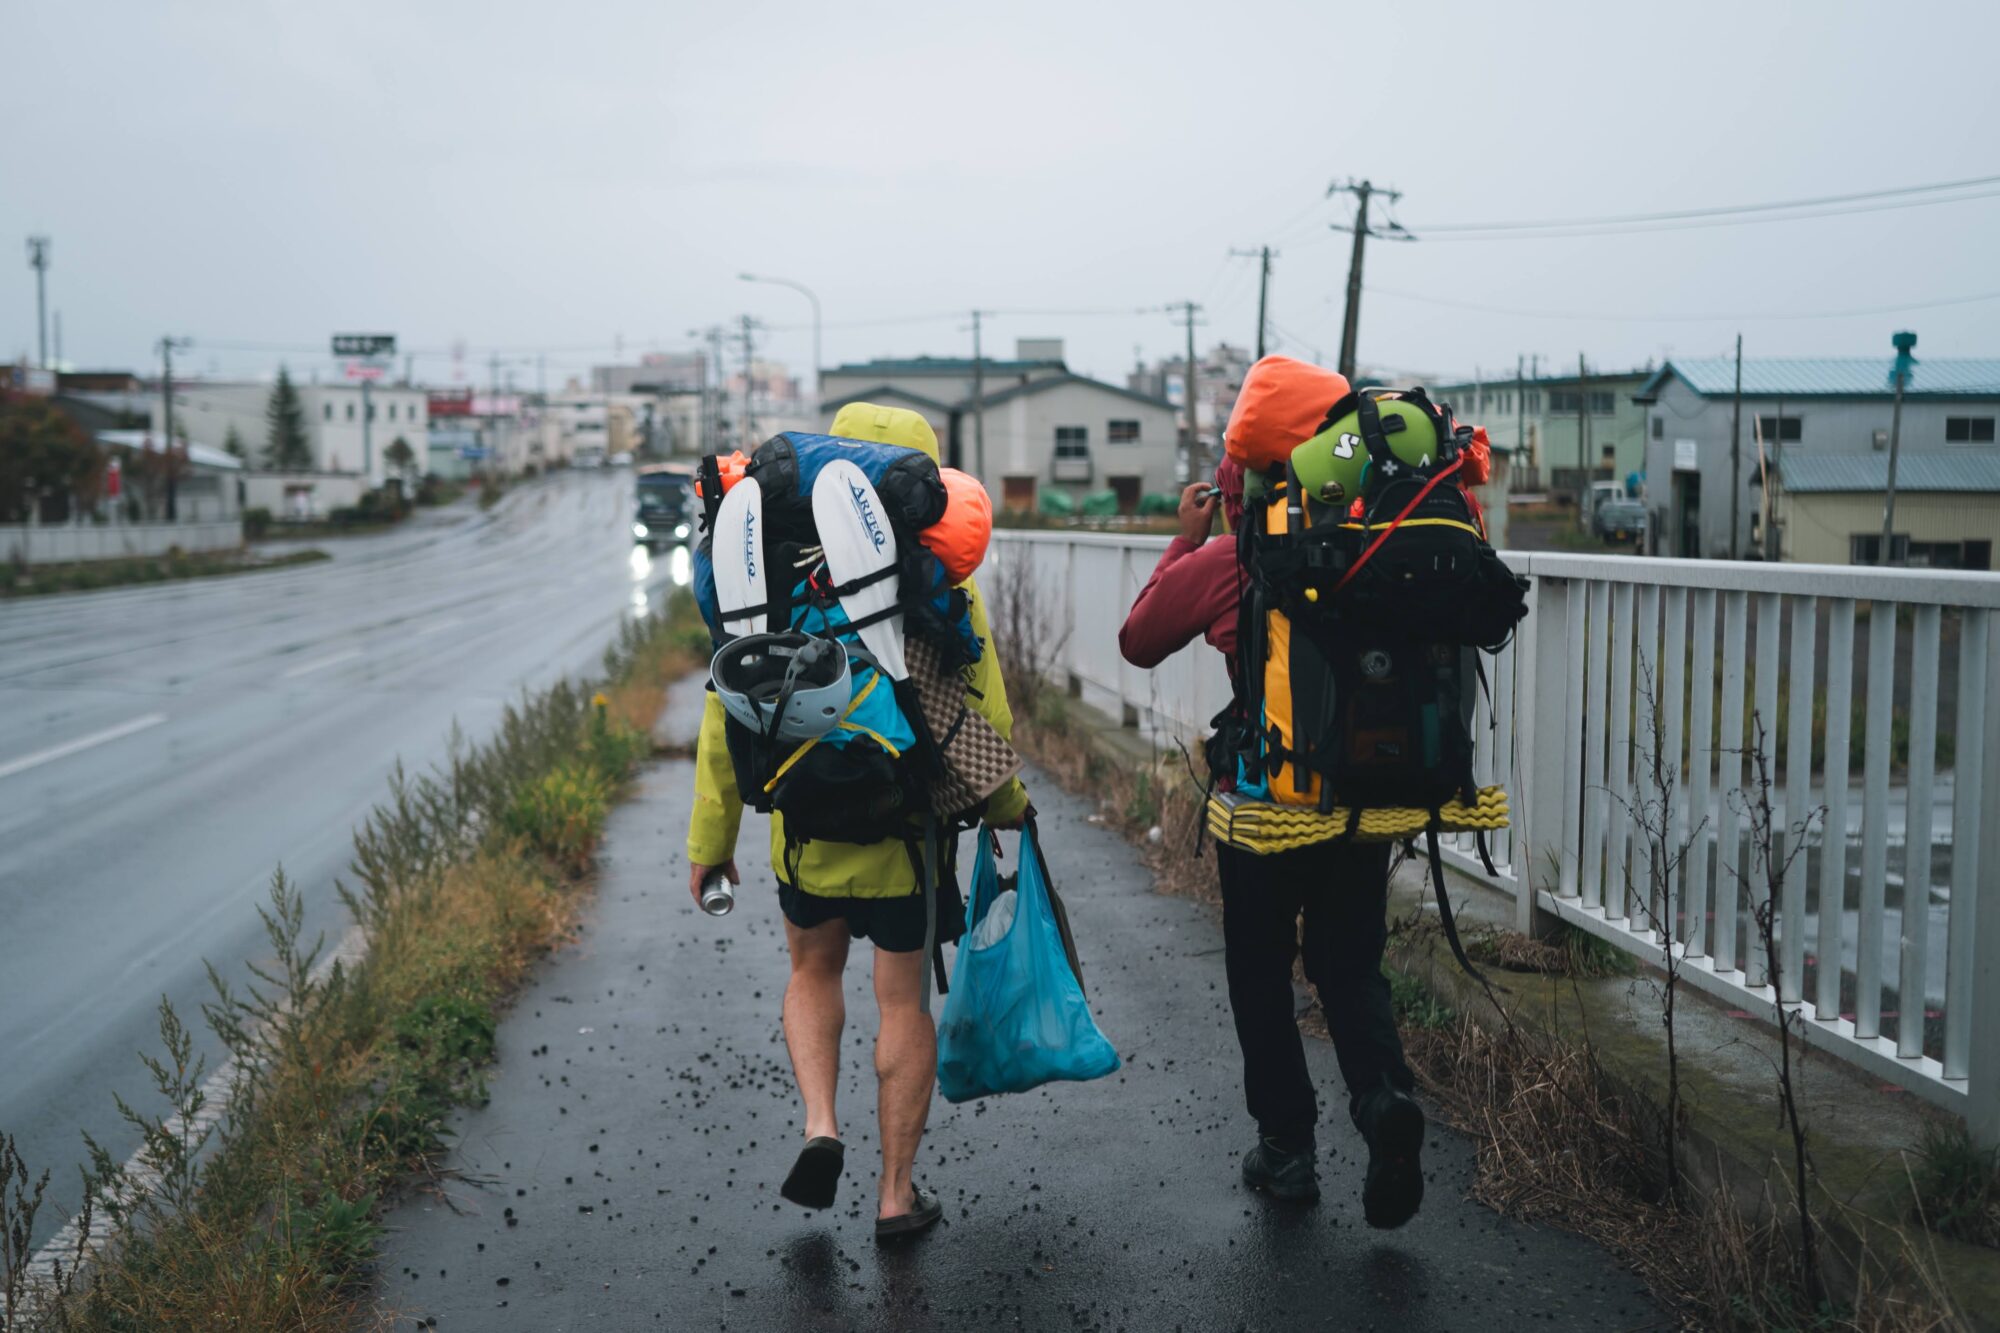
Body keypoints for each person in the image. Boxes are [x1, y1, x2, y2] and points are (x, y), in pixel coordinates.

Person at [686, 403, 1030, 1241]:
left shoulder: (772, 574)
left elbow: (726, 711)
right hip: (904, 835)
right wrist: (1007, 809)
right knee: (901, 1000)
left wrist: (710, 843)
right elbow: (984, 712)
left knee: (812, 971)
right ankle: (897, 1196)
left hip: (804, 829)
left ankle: (819, 1124)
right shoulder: (937, 577)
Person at [1119, 459, 1425, 1227]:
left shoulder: (1233, 559)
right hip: (1359, 795)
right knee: (1349, 964)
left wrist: (1185, 544)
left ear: (1237, 494)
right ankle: (1383, 1097)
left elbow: (1138, 639)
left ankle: (1287, 1149)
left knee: (1260, 968)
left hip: (1264, 804)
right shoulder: (1376, 546)